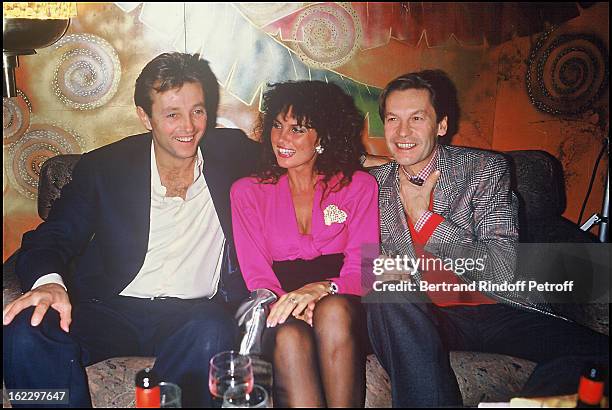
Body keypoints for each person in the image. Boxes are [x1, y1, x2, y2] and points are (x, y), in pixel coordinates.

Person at [3, 52, 260, 407]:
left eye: (197, 111)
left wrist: (360, 164)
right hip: (109, 309)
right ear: (145, 117)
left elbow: (297, 154)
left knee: (213, 330)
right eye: (172, 114)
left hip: (192, 316)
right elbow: (51, 237)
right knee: (24, 330)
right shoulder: (105, 168)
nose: (188, 126)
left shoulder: (232, 154)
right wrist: (49, 283)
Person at [366, 70, 609, 407]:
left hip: (498, 305)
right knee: (387, 296)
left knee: (600, 354)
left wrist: (426, 220)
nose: (402, 132)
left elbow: (500, 267)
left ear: (441, 125)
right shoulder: (371, 186)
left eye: (417, 118)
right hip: (428, 314)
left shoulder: (484, 169)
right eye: (393, 119)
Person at [230, 81, 379, 407]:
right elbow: (257, 277)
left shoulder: (359, 187)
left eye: (297, 129)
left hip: (345, 305)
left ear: (322, 137)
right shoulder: (247, 193)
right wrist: (294, 305)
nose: (282, 139)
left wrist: (323, 289)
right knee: (290, 336)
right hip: (277, 308)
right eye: (277, 126)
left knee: (334, 312)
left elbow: (364, 273)